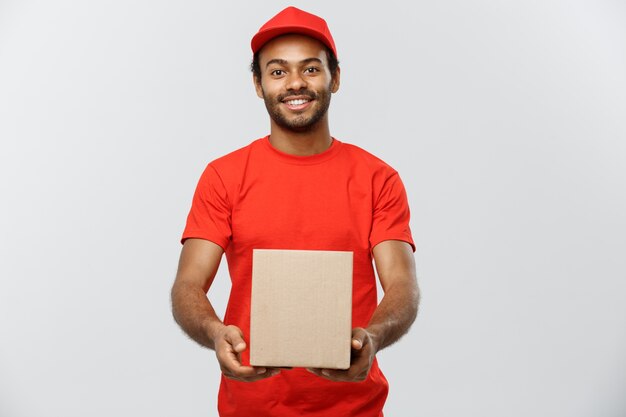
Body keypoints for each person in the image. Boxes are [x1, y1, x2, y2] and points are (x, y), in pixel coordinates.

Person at [171, 6, 420, 417]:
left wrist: (373, 338)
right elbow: (187, 285)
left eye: (310, 69)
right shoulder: (224, 176)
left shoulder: (378, 178)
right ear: (258, 83)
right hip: (250, 405)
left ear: (334, 78)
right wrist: (215, 333)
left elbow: (402, 286)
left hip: (354, 407)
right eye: (278, 71)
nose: (295, 84)